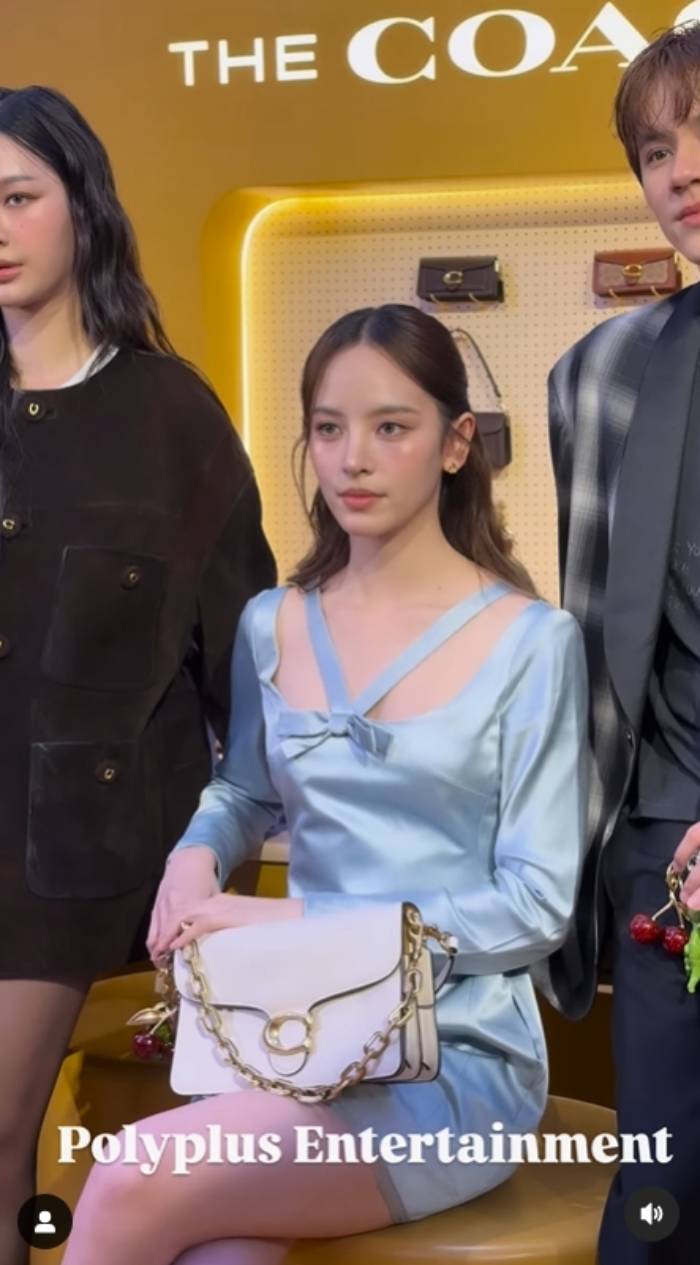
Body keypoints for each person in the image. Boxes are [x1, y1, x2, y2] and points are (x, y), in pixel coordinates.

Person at [64, 302, 588, 1265]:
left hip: (451, 1063)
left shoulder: (532, 643)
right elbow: (243, 792)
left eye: (391, 428)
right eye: (329, 428)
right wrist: (194, 855)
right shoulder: (273, 622)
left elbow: (537, 905)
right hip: (294, 1040)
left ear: (456, 444)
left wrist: (299, 921)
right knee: (217, 1251)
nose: (354, 459)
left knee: (136, 1172)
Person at [0, 85, 276, 1265]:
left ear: (83, 207)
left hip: (81, 860)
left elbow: (246, 667)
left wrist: (228, 857)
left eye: (18, 197)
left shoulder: (171, 415)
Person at [547, 23, 700, 1264]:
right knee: (657, 1196)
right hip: (661, 848)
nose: (680, 171)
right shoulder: (601, 374)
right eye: (654, 150)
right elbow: (599, 630)